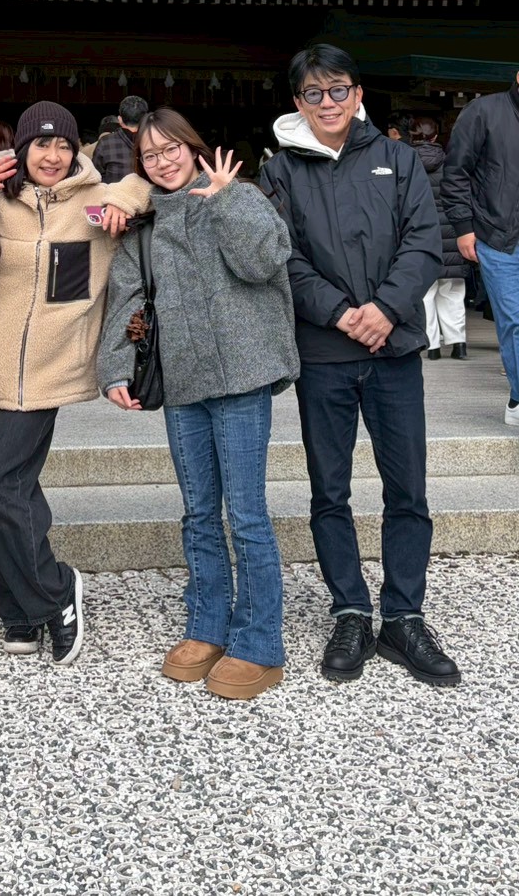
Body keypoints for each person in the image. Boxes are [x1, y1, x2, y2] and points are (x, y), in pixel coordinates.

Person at [260, 45, 460, 689]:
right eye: (313, 94)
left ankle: (404, 615)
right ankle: (350, 607)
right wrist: (343, 314)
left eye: (337, 90)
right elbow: (281, 256)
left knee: (409, 490)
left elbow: (424, 240)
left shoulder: (397, 159)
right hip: (326, 353)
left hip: (394, 349)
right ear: (297, 103)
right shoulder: (282, 171)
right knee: (331, 490)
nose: (328, 103)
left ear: (358, 93)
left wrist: (384, 309)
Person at [99, 109, 298, 702]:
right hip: (182, 379)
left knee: (246, 513)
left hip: (242, 375)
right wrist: (114, 368)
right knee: (199, 513)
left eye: (172, 150)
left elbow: (265, 261)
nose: (163, 162)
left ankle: (260, 641)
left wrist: (226, 199)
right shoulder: (144, 226)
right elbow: (125, 296)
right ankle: (207, 625)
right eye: (151, 156)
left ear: (194, 148)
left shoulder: (237, 197)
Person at [0, 101, 150, 664]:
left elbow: (142, 187)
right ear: (21, 151)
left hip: (50, 370)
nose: (51, 156)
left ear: (76, 150)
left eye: (62, 146)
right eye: (40, 145)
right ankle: (18, 611)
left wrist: (123, 199)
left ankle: (55, 591)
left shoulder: (94, 202)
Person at [442, 75, 519, 428]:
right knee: (514, 321)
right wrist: (463, 228)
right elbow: (456, 172)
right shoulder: (484, 111)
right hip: (499, 235)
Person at [410, 117, 468, 361]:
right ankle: (458, 344)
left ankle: (432, 347)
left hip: (422, 241)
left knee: (425, 296)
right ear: (435, 137)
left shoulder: (407, 165)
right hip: (453, 239)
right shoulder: (452, 165)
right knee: (453, 295)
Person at [92, 95, 148, 184]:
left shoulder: (105, 143)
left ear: (120, 120)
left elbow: (95, 176)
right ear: (146, 119)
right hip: (148, 196)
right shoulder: (153, 140)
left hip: (113, 196)